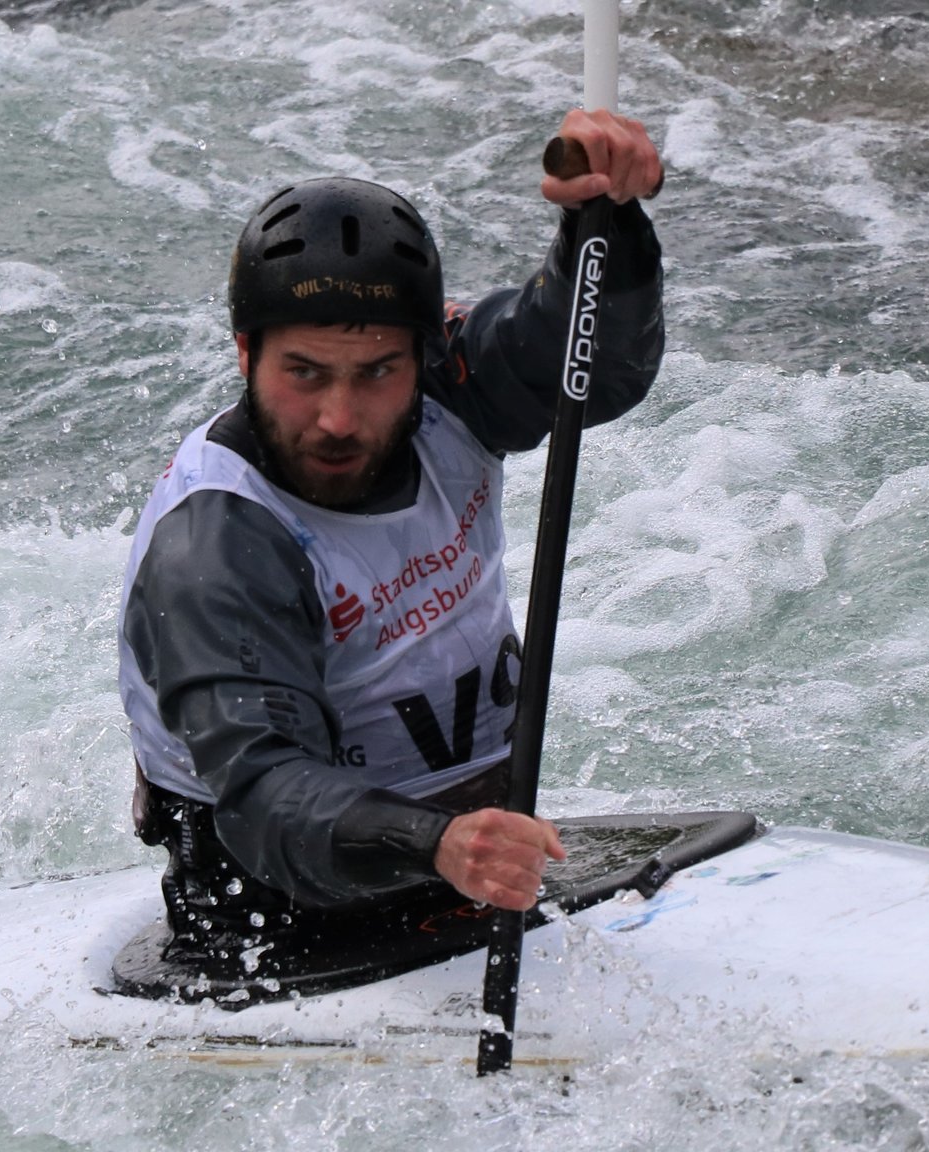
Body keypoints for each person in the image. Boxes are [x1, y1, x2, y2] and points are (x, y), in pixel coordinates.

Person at [117, 109, 666, 963]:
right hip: (279, 911)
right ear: (244, 355)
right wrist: (435, 847)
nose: (340, 416)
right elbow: (264, 796)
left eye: (377, 372)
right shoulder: (219, 546)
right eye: (304, 374)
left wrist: (606, 219)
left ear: (425, 350)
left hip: (465, 848)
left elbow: (587, 366)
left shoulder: (448, 388)